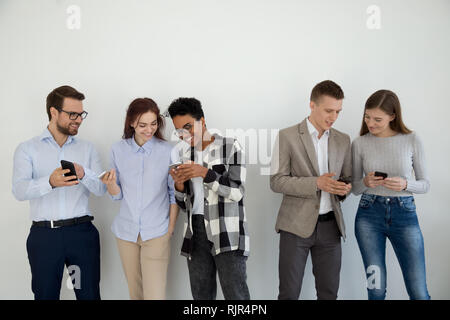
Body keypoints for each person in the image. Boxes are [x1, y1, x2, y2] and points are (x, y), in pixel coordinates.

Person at [12, 85, 106, 300]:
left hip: (81, 236)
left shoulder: (87, 148)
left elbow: (101, 189)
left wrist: (84, 175)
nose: (79, 119)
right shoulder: (28, 149)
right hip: (45, 238)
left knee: (88, 295)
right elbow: (19, 190)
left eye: (81, 114)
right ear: (53, 112)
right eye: (72, 114)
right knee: (46, 295)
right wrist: (50, 182)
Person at [270, 80, 352, 300]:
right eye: (328, 110)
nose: (333, 117)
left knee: (329, 294)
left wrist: (344, 188)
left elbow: (347, 178)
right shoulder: (287, 136)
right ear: (312, 105)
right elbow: (277, 181)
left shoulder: (343, 140)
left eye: (338, 111)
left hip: (331, 227)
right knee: (289, 294)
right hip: (294, 226)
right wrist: (317, 183)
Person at [167, 97, 250, 300]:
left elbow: (237, 192)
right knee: (201, 296)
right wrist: (179, 184)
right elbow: (183, 203)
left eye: (188, 127)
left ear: (202, 121)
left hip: (226, 230)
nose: (184, 135)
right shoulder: (183, 154)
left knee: (236, 295)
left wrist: (205, 173)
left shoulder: (230, 147)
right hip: (195, 232)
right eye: (179, 131)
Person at [351, 89, 431, 300]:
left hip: (405, 214)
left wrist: (406, 184)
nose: (370, 123)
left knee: (418, 292)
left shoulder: (412, 139)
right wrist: (365, 182)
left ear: (393, 116)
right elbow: (354, 188)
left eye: (377, 119)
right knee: (375, 290)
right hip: (368, 216)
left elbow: (425, 184)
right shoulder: (359, 143)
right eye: (367, 117)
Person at [101, 98, 178, 300]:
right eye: (143, 124)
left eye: (153, 124)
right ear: (132, 123)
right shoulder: (118, 149)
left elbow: (174, 193)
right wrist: (111, 186)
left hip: (157, 233)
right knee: (136, 295)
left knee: (155, 296)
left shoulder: (168, 151)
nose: (149, 129)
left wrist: (169, 229)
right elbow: (118, 197)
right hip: (126, 233)